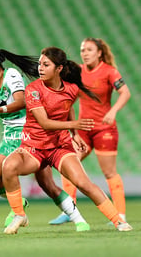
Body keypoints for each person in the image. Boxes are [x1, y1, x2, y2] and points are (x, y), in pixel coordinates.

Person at [0, 46, 90, 232]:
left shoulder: (11, 75)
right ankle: (19, 205)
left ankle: (78, 219)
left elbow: (22, 101)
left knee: (47, 184)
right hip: (10, 135)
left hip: (30, 133)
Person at [2, 46, 133, 234]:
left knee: (83, 183)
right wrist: (75, 126)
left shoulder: (71, 89)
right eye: (40, 64)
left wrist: (75, 135)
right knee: (8, 166)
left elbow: (67, 108)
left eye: (46, 65)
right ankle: (19, 214)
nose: (40, 68)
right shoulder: (33, 90)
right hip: (33, 148)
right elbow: (45, 123)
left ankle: (118, 221)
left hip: (59, 148)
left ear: (59, 69)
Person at [50, 38, 131, 225]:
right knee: (67, 165)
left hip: (104, 129)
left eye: (89, 50)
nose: (85, 53)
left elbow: (125, 93)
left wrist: (113, 111)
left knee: (109, 172)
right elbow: (70, 97)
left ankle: (121, 215)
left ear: (99, 53)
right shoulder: (77, 72)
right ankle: (69, 210)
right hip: (84, 129)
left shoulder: (109, 72)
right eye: (82, 50)